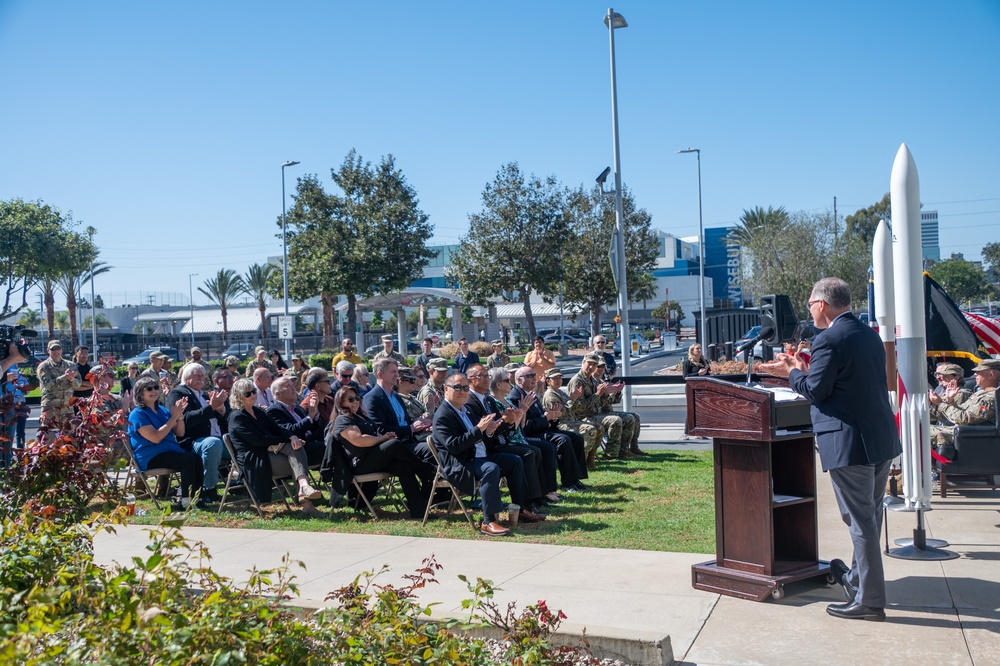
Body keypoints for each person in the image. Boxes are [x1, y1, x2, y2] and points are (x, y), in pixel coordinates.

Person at [760, 277, 900, 622]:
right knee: (870, 515)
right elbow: (842, 382)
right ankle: (858, 581)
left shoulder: (828, 340)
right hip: (879, 438)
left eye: (809, 304)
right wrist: (805, 371)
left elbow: (817, 391)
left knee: (860, 520)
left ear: (821, 304)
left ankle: (870, 600)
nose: (809, 310)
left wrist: (792, 371)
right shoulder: (867, 334)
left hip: (850, 442)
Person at [431, 372, 545, 536]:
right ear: (445, 389)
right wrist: (479, 430)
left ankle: (520, 509)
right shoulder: (443, 415)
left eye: (464, 387)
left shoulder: (465, 410)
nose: (463, 391)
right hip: (461, 463)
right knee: (490, 469)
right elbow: (454, 446)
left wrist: (488, 431)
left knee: (514, 461)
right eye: (457, 387)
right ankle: (489, 521)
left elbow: (478, 436)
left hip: (479, 456)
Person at [329, 385, 429, 519]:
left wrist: (385, 435)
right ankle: (427, 471)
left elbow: (374, 435)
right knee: (394, 444)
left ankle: (419, 512)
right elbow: (360, 441)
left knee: (404, 467)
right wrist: (383, 438)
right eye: (350, 399)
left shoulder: (361, 416)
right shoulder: (343, 419)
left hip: (373, 458)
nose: (355, 402)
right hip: (360, 463)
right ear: (341, 403)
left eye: (357, 398)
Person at [227, 378, 324, 516]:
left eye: (254, 391)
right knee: (297, 461)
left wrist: (292, 437)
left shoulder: (257, 411)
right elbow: (258, 441)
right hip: (253, 459)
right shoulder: (237, 417)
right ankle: (306, 497)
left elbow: (276, 428)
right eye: (248, 394)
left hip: (267, 453)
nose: (253, 395)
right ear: (239, 397)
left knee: (295, 447)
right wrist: (286, 438)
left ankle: (304, 489)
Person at [127, 375, 206, 508]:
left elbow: (180, 433)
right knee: (188, 459)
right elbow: (156, 438)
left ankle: (197, 497)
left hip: (169, 451)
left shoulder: (162, 410)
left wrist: (179, 417)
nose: (154, 391)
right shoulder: (138, 414)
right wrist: (173, 417)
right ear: (140, 393)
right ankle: (186, 500)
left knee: (196, 458)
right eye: (149, 388)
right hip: (150, 456)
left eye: (156, 387)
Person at [508, 366, 588, 492]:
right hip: (530, 434)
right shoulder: (516, 397)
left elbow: (542, 416)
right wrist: (546, 419)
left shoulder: (530, 393)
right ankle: (567, 483)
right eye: (529, 376)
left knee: (576, 437)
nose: (534, 378)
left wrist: (553, 416)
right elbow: (524, 426)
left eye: (534, 375)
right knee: (563, 440)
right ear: (519, 380)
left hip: (543, 429)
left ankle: (575, 479)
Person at [166, 364, 230, 503]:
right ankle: (208, 488)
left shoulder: (206, 394)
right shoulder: (178, 393)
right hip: (194, 440)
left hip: (220, 437)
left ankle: (245, 483)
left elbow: (224, 420)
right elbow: (185, 419)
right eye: (197, 375)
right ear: (186, 376)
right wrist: (210, 407)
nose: (201, 378)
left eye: (203, 375)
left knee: (241, 440)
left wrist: (221, 410)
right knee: (213, 444)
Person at [541, 368, 603, 470]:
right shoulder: (550, 395)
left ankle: (589, 458)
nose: (558, 381)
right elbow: (560, 414)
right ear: (548, 381)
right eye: (554, 378)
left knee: (599, 427)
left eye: (559, 378)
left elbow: (574, 407)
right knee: (589, 430)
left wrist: (574, 399)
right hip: (560, 424)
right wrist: (572, 399)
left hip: (571, 421)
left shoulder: (559, 392)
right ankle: (580, 461)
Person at [928, 358, 998, 449]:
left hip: (970, 436)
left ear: (991, 374)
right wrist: (950, 402)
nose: (975, 374)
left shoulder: (990, 398)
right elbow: (959, 412)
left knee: (922, 432)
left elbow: (965, 418)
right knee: (920, 428)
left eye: (979, 372)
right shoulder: (978, 394)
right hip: (961, 431)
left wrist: (941, 404)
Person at [567, 353, 625, 460]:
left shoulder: (592, 380)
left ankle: (596, 456)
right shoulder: (577, 381)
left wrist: (614, 392)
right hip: (583, 417)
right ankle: (608, 455)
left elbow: (604, 402)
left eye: (594, 365)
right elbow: (577, 408)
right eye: (589, 364)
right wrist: (597, 394)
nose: (591, 367)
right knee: (614, 421)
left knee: (630, 417)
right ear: (583, 363)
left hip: (596, 414)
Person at [37, 340, 81, 423]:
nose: (56, 351)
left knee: (68, 434)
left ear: (61, 349)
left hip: (67, 408)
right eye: (53, 349)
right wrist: (64, 377)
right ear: (48, 350)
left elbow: (78, 384)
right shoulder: (44, 366)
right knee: (49, 433)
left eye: (58, 349)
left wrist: (72, 379)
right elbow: (48, 385)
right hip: (51, 408)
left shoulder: (70, 365)